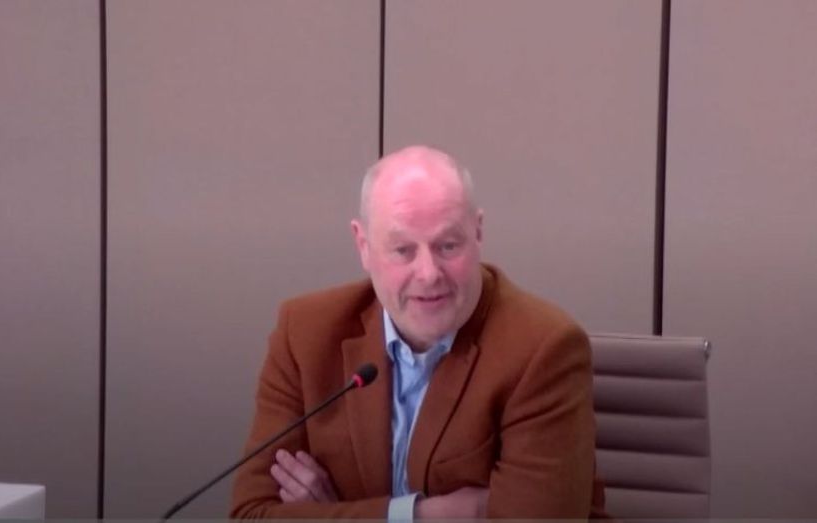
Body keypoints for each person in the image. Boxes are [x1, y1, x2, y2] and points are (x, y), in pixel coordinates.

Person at [230, 145, 604, 519]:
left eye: (448, 246)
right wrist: (423, 514)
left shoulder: (543, 349)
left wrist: (331, 515)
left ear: (478, 233)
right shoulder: (305, 332)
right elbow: (251, 514)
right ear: (363, 245)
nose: (428, 274)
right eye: (403, 250)